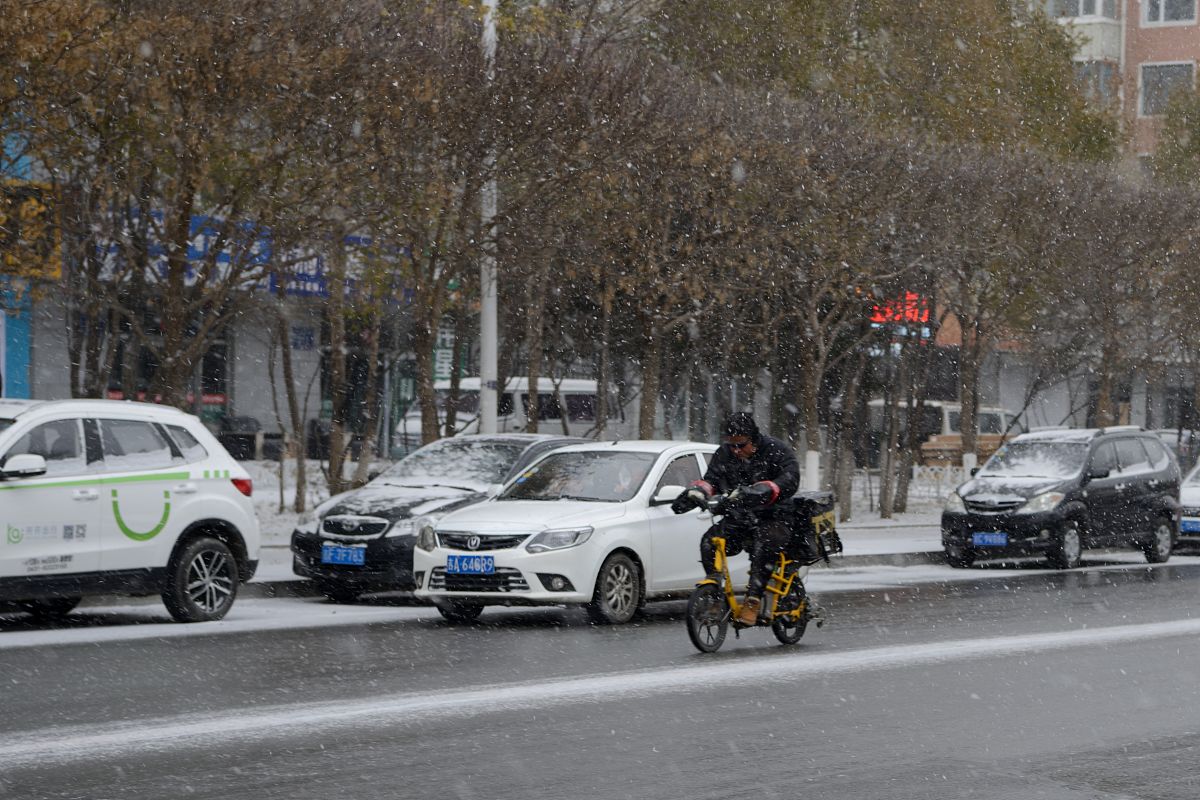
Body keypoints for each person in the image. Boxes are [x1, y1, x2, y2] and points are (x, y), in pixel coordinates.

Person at [671, 412, 800, 625]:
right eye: (731, 445)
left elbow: (790, 479)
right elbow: (711, 480)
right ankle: (714, 593)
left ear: (754, 439)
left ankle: (753, 601)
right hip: (740, 517)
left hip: (775, 517)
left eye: (741, 445)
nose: (736, 451)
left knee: (764, 545)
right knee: (710, 542)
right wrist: (696, 493)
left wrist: (763, 490)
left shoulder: (776, 450)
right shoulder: (725, 454)